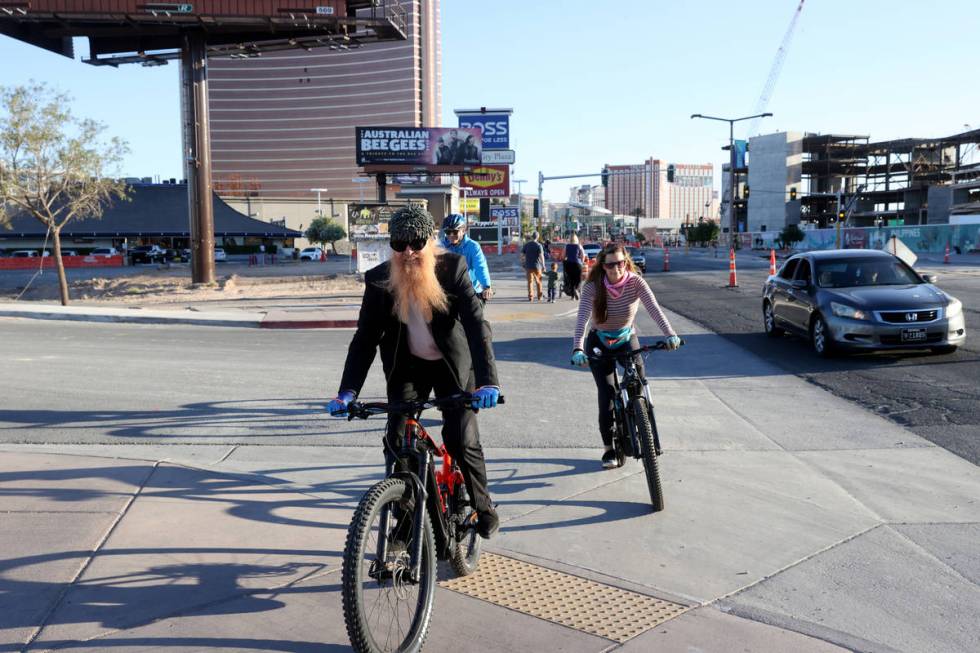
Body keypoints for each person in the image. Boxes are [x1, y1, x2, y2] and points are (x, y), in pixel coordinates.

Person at [327, 205, 501, 539]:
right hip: (408, 367)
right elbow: (364, 339)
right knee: (396, 441)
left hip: (451, 365)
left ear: (430, 241)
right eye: (399, 243)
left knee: (459, 438)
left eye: (416, 241)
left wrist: (487, 381)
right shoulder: (379, 279)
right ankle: (406, 519)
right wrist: (347, 392)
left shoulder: (453, 268)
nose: (408, 251)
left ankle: (483, 506)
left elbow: (478, 325)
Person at [570, 243, 682, 469]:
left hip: (626, 338)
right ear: (603, 265)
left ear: (626, 262)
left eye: (620, 263)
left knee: (637, 380)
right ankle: (609, 449)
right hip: (599, 341)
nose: (616, 268)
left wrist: (670, 334)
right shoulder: (593, 287)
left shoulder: (635, 282)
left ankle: (638, 419)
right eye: (610, 264)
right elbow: (582, 319)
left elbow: (654, 309)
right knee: (607, 394)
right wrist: (578, 349)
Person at [441, 213, 493, 303]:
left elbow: (480, 267)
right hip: (447, 292)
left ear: (463, 230)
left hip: (470, 291)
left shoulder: (473, 246)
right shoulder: (440, 246)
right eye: (448, 232)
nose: (451, 235)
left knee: (475, 317)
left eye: (455, 232)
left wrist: (486, 286)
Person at [522, 231, 545, 302]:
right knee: (538, 282)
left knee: (530, 282)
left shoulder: (526, 245)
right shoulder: (539, 245)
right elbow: (541, 256)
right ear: (537, 237)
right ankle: (539, 297)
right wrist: (543, 265)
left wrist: (523, 263)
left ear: (532, 237)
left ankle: (530, 296)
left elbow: (522, 255)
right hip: (537, 266)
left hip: (528, 266)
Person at [563, 233, 586, 300]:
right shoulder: (579, 246)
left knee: (571, 280)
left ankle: (572, 296)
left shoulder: (566, 246)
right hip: (577, 264)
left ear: (569, 239)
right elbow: (583, 255)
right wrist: (581, 262)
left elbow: (563, 256)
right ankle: (576, 289)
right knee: (578, 279)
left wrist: (566, 259)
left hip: (569, 264)